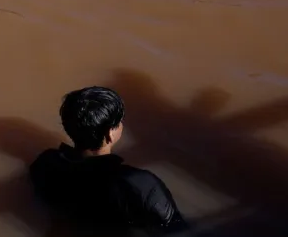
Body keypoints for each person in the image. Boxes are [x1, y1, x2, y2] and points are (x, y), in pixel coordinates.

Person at [29, 86, 187, 234]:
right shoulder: (141, 184)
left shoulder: (46, 165)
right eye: (119, 123)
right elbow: (177, 230)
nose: (121, 125)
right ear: (109, 134)